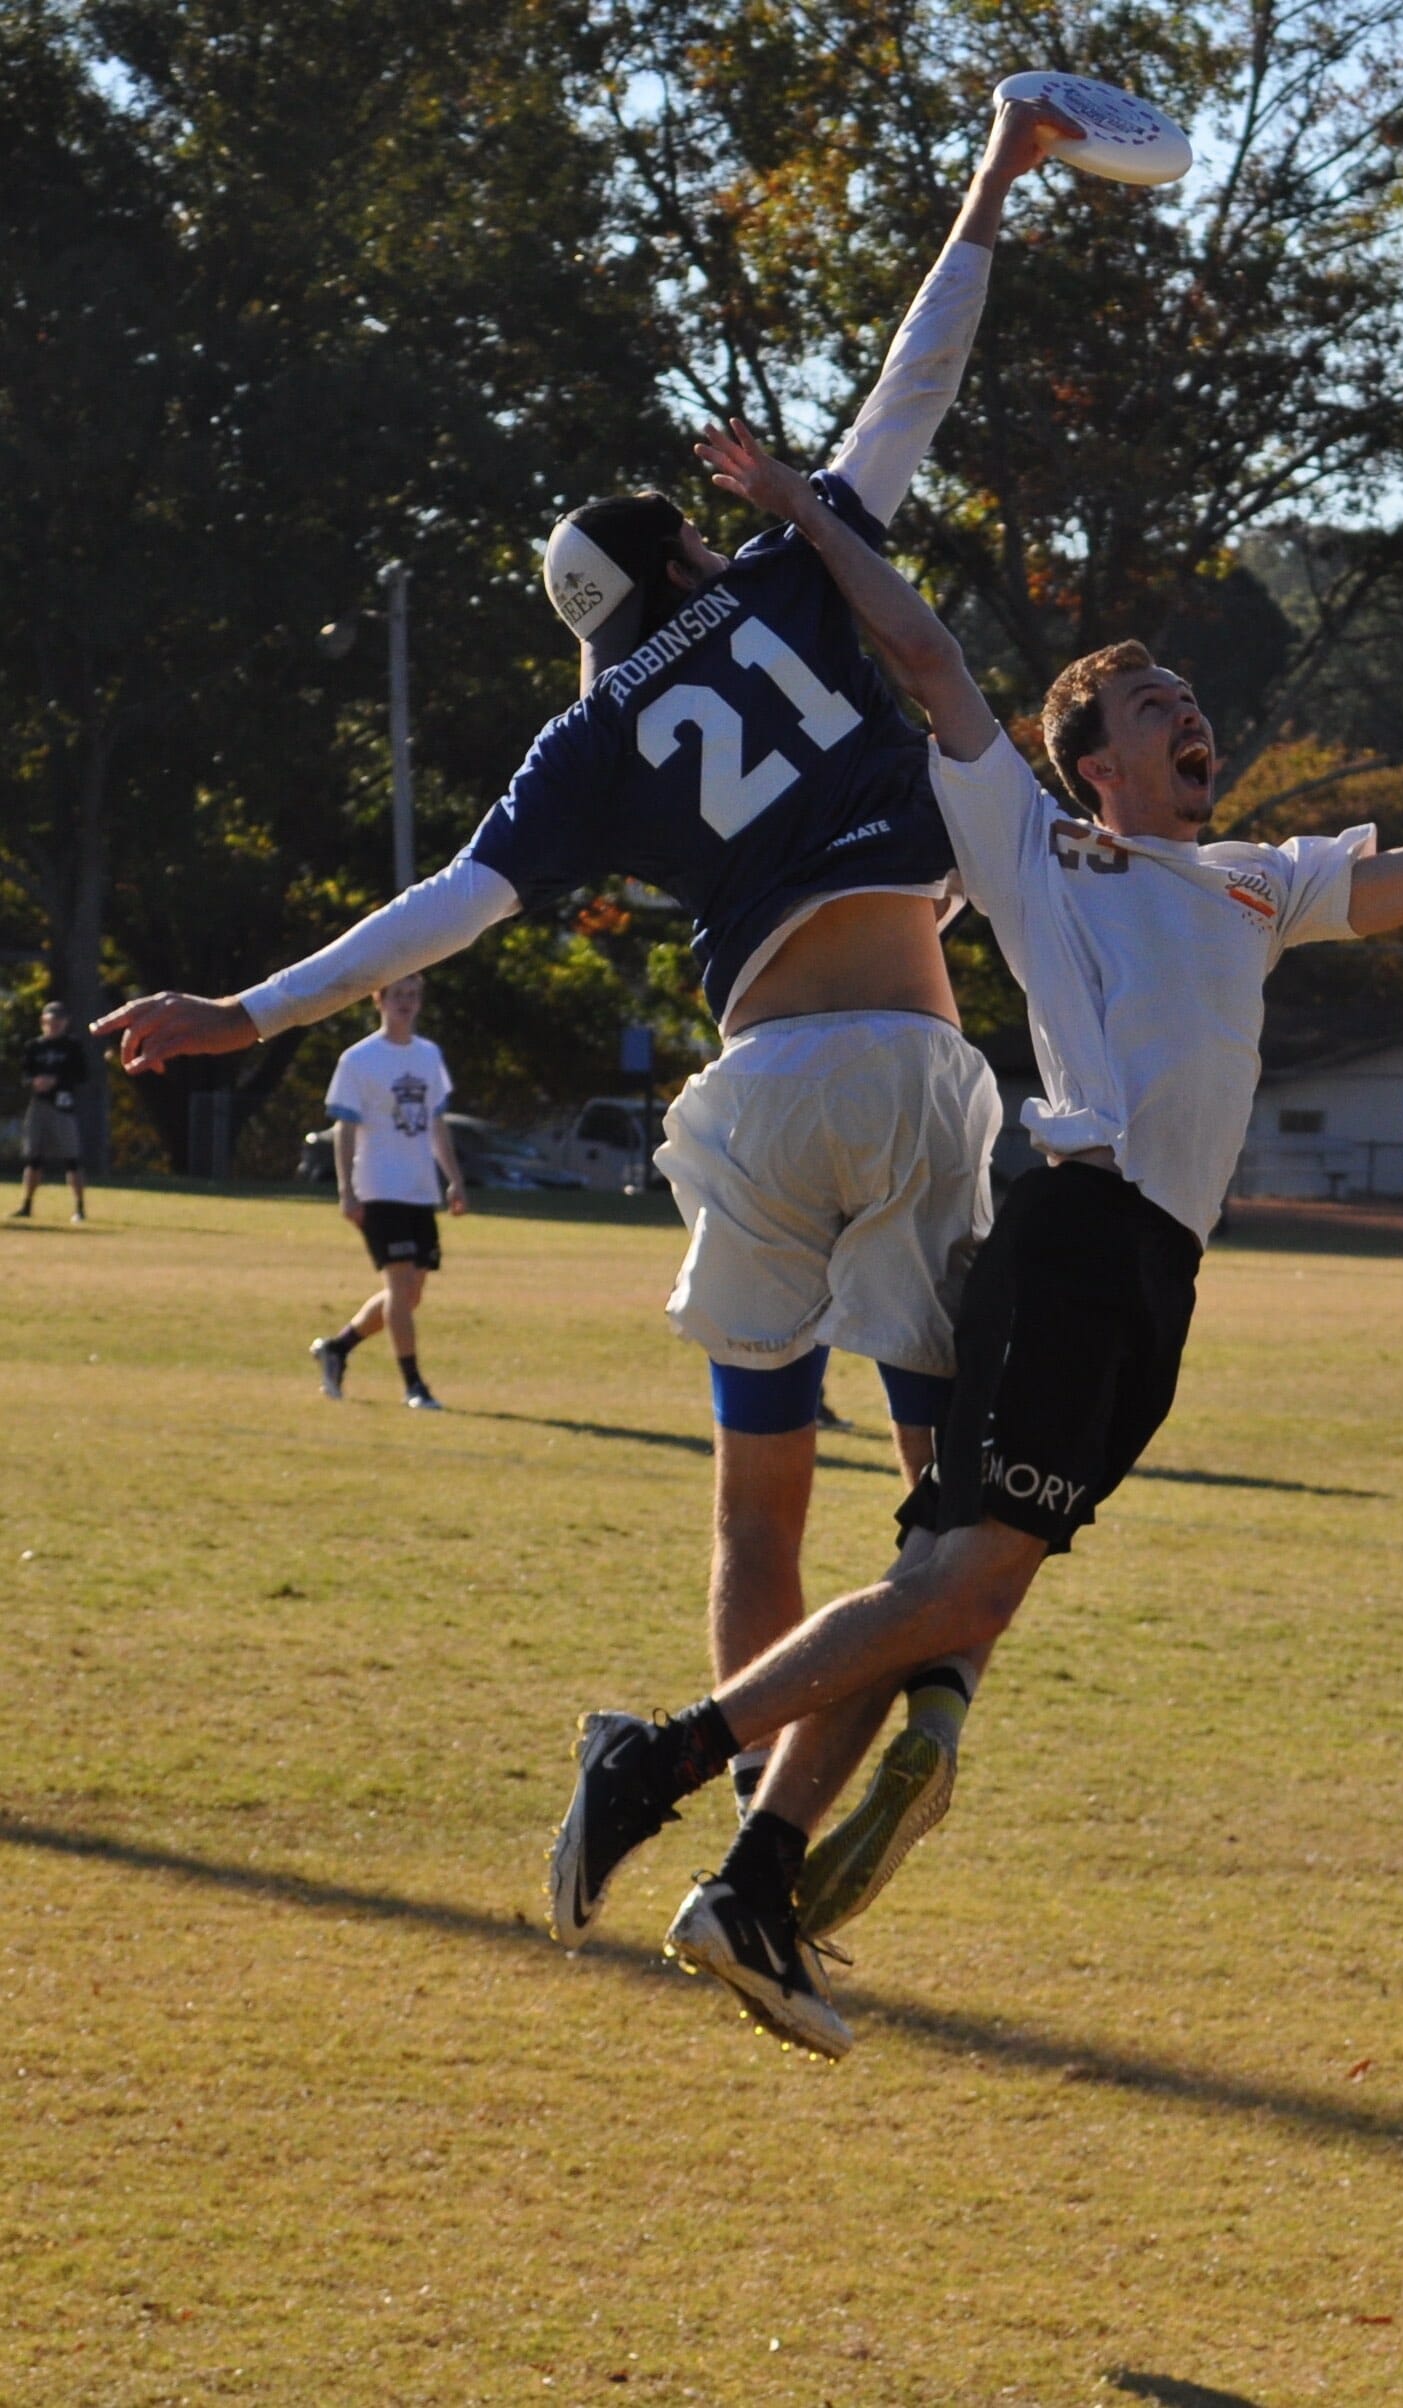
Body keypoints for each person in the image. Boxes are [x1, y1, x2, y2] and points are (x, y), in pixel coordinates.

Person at [539, 418, 1403, 2060]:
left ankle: (754, 1877)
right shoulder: (1031, 847)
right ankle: (663, 1776)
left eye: (1189, 701)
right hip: (1075, 1239)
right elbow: (923, 647)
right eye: (1153, 707)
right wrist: (803, 510)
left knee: (963, 1589)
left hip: (1156, 1280)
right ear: (1096, 763)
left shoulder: (1252, 883)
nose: (1188, 716)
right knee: (964, 1581)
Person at [91, 102, 1074, 1885]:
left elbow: (450, 906)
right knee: (940, 1505)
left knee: (753, 1507)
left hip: (759, 1093)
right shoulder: (785, 559)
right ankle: (851, 1768)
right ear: (690, 556)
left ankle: (729, 1828)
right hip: (915, 1066)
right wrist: (991, 190)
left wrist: (245, 1009)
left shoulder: (592, 723)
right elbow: (912, 390)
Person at [308, 975, 467, 1409]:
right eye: (398, 995)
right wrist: (346, 1191)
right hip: (378, 1188)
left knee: (411, 1295)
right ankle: (414, 1385)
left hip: (419, 1191)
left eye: (414, 995)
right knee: (399, 1287)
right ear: (379, 999)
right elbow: (344, 1129)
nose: (407, 1003)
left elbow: (436, 1124)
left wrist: (454, 1178)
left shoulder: (429, 1055)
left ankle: (337, 1348)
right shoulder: (359, 1060)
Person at [12, 1002, 90, 1223]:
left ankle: (80, 1207)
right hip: (39, 1105)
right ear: (43, 1022)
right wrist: (35, 1082)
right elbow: (25, 1075)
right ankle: (26, 1204)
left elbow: (82, 1075)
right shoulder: (34, 1047)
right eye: (50, 1021)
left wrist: (56, 1080)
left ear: (66, 1022)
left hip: (62, 1107)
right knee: (33, 1159)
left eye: (58, 1021)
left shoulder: (72, 1047)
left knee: (72, 1159)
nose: (54, 1025)